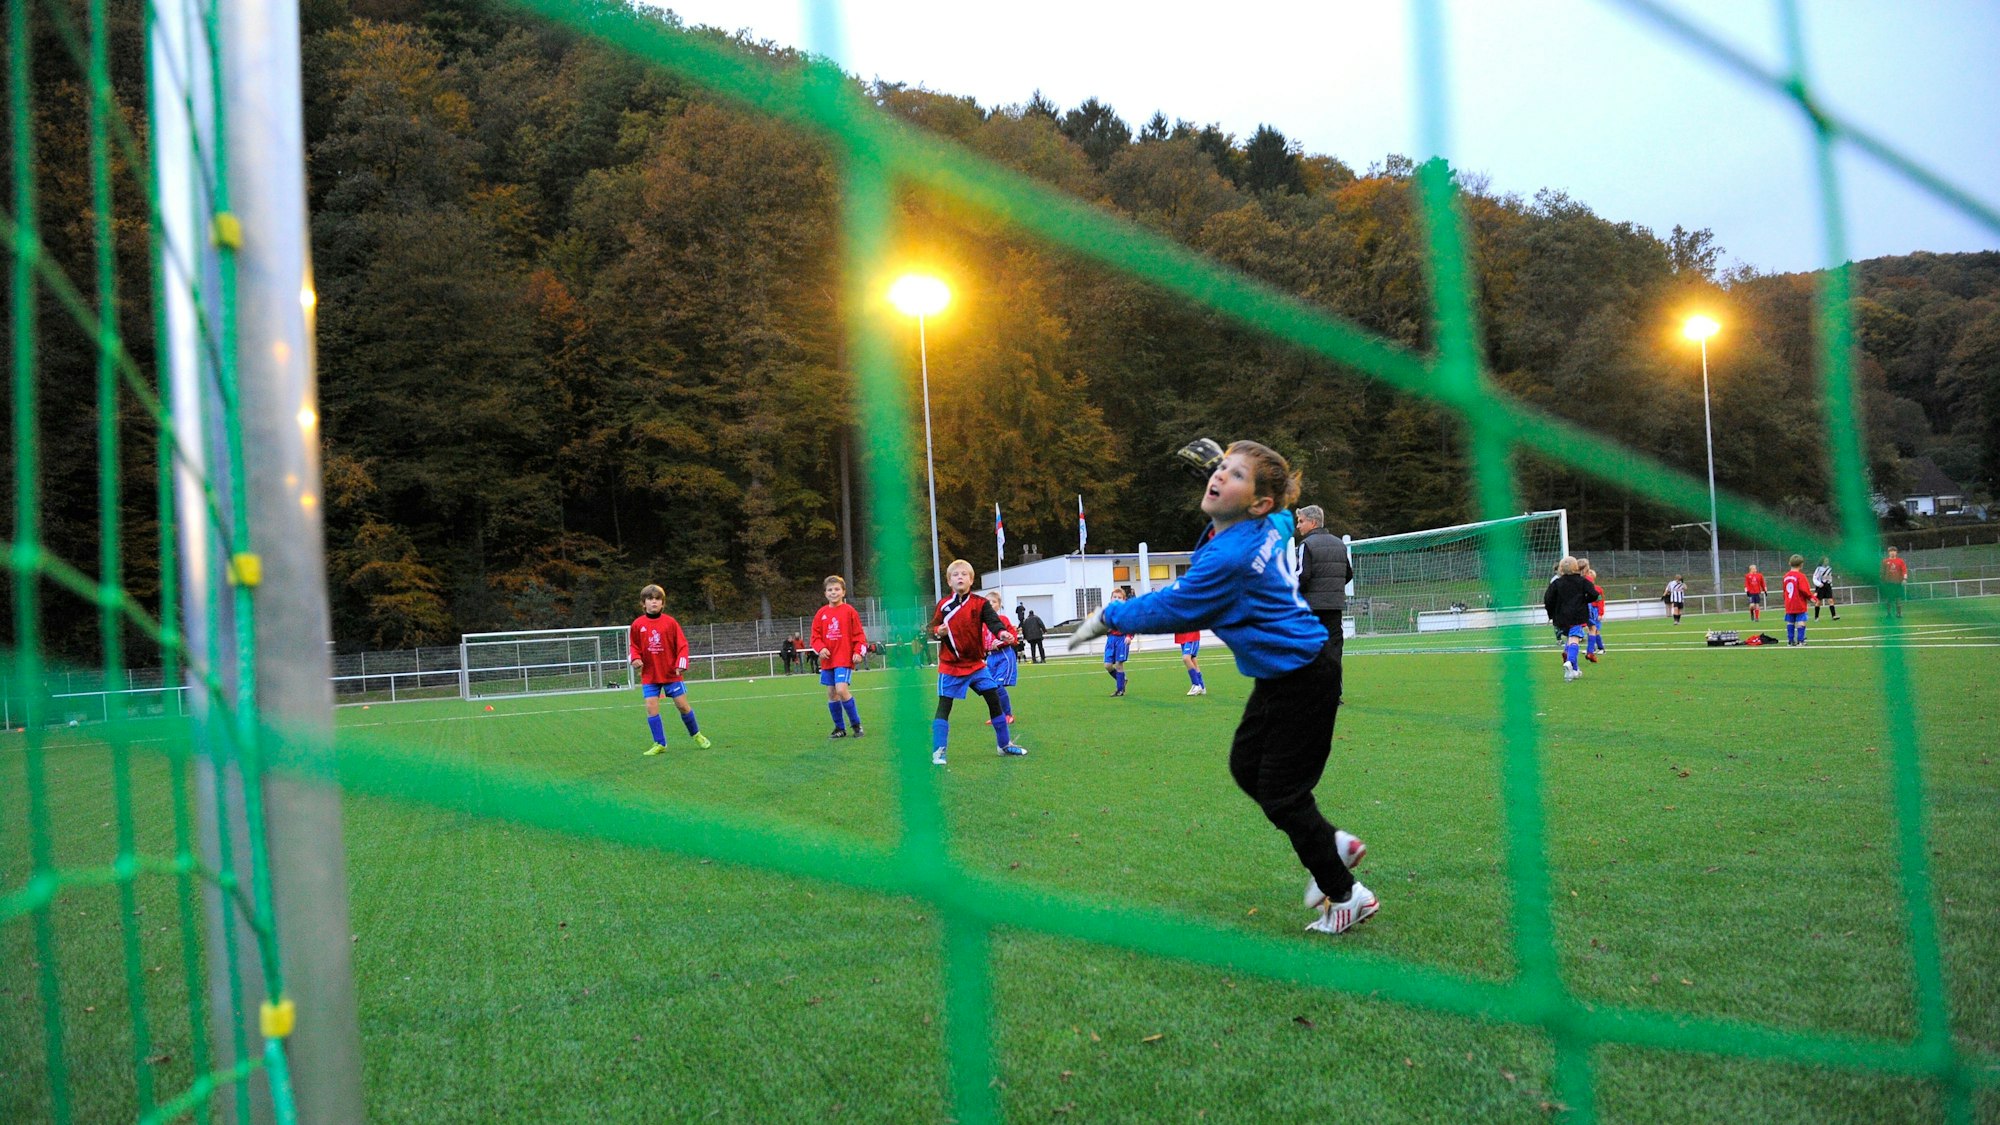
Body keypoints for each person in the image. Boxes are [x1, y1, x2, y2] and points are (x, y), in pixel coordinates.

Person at [1070, 441, 1373, 936]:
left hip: (1303, 677)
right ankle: (1331, 844)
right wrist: (1227, 473)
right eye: (1223, 468)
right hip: (1283, 674)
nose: (1218, 477)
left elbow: (1175, 606)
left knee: (1281, 793)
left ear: (1257, 504)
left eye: (1234, 475)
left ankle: (1345, 892)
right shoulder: (1268, 523)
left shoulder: (1231, 558)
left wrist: (1108, 617)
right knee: (1246, 767)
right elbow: (1274, 511)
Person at [928, 561, 1026, 765]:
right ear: (949, 580)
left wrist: (1002, 632)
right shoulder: (944, 605)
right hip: (951, 666)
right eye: (955, 574)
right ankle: (939, 751)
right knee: (944, 706)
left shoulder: (980, 604)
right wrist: (939, 631)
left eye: (964, 574)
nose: (960, 577)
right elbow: (932, 627)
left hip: (976, 665)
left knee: (994, 699)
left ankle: (1004, 745)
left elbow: (993, 622)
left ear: (971, 580)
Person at [628, 584, 710, 755]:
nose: (654, 602)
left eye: (657, 599)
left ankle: (696, 735)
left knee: (682, 705)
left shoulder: (670, 623)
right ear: (643, 603)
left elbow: (682, 645)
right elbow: (634, 646)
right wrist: (635, 658)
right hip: (650, 675)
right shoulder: (637, 625)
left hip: (671, 673)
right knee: (651, 707)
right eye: (650, 599)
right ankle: (660, 743)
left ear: (662, 603)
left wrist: (681, 662)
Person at [811, 575, 869, 738]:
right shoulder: (821, 613)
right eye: (830, 590)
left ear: (843, 592)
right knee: (831, 693)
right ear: (825, 593)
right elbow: (815, 637)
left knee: (841, 690)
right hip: (828, 661)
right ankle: (839, 728)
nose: (833, 592)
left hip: (843, 659)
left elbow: (859, 635)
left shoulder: (850, 611)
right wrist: (820, 648)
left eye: (837, 589)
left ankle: (856, 725)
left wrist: (858, 652)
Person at [1293, 504, 1352, 655]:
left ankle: (1312, 679)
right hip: (1334, 606)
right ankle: (1334, 679)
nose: (1298, 526)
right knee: (1333, 647)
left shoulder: (1306, 545)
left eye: (1301, 521)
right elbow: (1348, 574)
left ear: (1312, 523)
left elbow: (1302, 576)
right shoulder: (1339, 544)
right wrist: (1330, 588)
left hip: (1312, 607)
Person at [1543, 557, 1596, 683]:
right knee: (1574, 639)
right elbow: (1594, 594)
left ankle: (1575, 670)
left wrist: (1552, 615)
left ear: (1561, 569)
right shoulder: (1582, 581)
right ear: (1576, 567)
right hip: (1576, 615)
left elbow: (1548, 600)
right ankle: (1570, 662)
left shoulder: (1556, 583)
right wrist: (1584, 600)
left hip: (1561, 618)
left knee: (1570, 639)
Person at [982, 592, 1020, 726]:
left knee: (997, 686)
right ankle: (997, 716)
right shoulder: (982, 624)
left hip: (1004, 655)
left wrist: (1002, 642)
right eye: (988, 602)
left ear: (999, 605)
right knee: (990, 688)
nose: (991, 604)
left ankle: (1008, 715)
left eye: (994, 602)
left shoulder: (1003, 619)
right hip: (991, 658)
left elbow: (1013, 637)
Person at [1103, 586, 1132, 697]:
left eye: (1119, 597)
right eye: (1114, 597)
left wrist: (1129, 636)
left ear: (1124, 600)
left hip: (1121, 639)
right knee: (1107, 665)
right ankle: (1122, 679)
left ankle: (1120, 690)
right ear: (1111, 598)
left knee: (1119, 665)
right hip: (1111, 639)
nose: (1116, 599)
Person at [1781, 554, 1816, 646]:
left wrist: (1785, 600)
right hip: (1799, 602)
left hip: (1789, 603)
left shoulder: (1785, 576)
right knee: (1801, 620)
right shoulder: (1801, 576)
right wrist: (1811, 597)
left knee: (1790, 621)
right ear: (1801, 565)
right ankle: (1801, 640)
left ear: (1789, 563)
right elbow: (1804, 590)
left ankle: (1790, 640)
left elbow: (1784, 590)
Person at [1583, 566, 1607, 663]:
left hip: (1595, 611)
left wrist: (1600, 613)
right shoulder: (1584, 587)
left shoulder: (1598, 589)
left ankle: (1601, 648)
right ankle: (1591, 649)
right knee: (1591, 630)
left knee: (1595, 630)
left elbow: (1601, 602)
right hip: (1588, 609)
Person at [1176, 630, 1206, 696]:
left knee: (1186, 658)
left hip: (1191, 634)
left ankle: (1196, 684)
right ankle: (1201, 686)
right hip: (1182, 634)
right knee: (1192, 659)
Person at [1881, 547, 1908, 617]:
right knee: (1888, 599)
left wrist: (1905, 579)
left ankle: (1899, 613)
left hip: (1898, 583)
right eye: (1891, 551)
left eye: (1894, 551)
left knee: (1898, 599)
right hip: (1888, 583)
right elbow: (1882, 572)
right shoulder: (1885, 561)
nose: (1892, 552)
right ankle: (1888, 613)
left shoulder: (1900, 561)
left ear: (1896, 552)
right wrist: (1882, 581)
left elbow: (1904, 570)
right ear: (1888, 553)